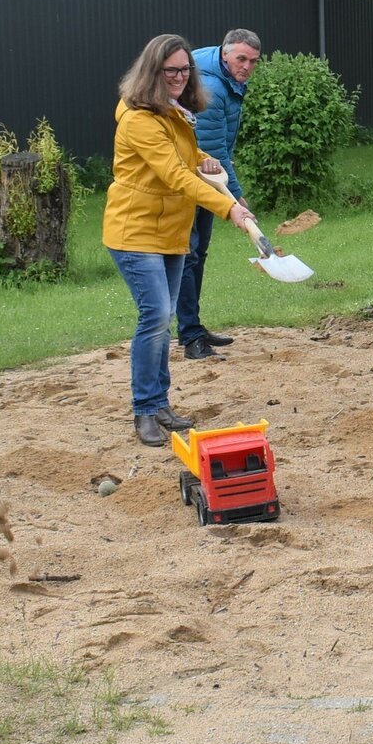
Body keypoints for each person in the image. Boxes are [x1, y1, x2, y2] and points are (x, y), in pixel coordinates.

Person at [102, 34, 259, 447]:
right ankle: (144, 409)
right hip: (135, 232)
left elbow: (182, 162)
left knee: (164, 318)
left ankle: (161, 403)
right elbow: (173, 175)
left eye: (183, 70)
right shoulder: (138, 119)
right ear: (152, 72)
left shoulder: (175, 113)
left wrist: (201, 161)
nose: (177, 77)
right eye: (169, 70)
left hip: (170, 231)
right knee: (154, 317)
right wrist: (230, 209)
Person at [177, 28, 260, 360]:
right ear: (225, 54)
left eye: (254, 61)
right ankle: (190, 335)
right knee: (188, 254)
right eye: (241, 59)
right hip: (188, 179)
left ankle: (194, 326)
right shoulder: (210, 86)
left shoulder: (223, 74)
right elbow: (213, 153)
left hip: (202, 174)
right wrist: (237, 198)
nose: (247, 67)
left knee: (198, 253)